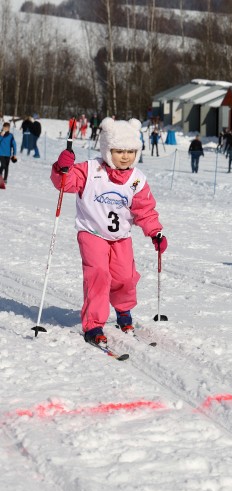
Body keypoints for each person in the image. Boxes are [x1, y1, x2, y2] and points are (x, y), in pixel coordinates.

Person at [50, 117, 167, 346]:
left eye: (131, 151)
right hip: (92, 233)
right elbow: (65, 183)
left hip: (120, 237)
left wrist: (155, 232)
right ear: (106, 149)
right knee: (99, 275)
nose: (125, 156)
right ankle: (93, 324)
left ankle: (124, 312)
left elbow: (145, 210)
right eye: (119, 150)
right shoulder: (90, 170)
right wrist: (62, 168)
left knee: (125, 277)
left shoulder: (136, 180)